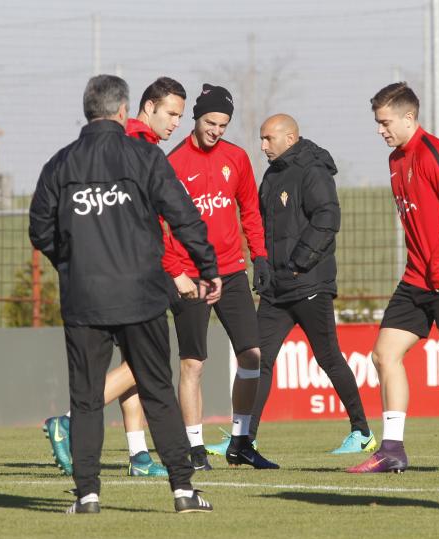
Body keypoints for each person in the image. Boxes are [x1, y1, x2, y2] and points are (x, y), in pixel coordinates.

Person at [30, 74, 220, 513]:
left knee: (86, 395)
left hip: (85, 300)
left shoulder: (60, 163)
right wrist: (208, 267)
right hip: (142, 295)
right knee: (157, 390)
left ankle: (88, 495)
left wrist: (71, 263)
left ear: (87, 111)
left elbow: (39, 228)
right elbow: (183, 215)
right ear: (122, 112)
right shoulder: (145, 156)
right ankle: (184, 491)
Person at [42, 77, 187, 478]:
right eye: (171, 113)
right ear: (142, 108)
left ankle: (138, 453)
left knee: (139, 366)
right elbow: (152, 223)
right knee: (149, 365)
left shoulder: (141, 146)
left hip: (107, 279)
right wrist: (176, 269)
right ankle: (70, 421)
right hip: (140, 278)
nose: (177, 123)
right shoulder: (135, 147)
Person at [348, 82, 439, 474]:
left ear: (409, 118)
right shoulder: (395, 160)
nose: (380, 130)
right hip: (415, 278)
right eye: (378, 123)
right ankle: (392, 449)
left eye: (385, 122)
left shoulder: (433, 153)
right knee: (383, 354)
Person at [163, 84, 278, 469]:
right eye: (211, 122)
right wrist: (176, 271)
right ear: (196, 119)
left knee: (252, 355)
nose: (216, 130)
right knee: (193, 364)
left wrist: (259, 257)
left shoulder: (238, 158)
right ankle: (195, 448)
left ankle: (241, 441)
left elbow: (250, 211)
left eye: (223, 124)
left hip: (230, 273)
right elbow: (161, 226)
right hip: (191, 277)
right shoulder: (174, 163)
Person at [248, 113, 375, 454]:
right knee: (257, 358)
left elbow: (327, 217)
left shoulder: (313, 171)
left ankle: (361, 431)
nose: (262, 146)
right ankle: (245, 437)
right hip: (277, 289)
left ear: (290, 138)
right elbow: (262, 225)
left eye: (268, 139)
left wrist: (299, 263)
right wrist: (261, 262)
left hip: (309, 284)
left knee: (328, 357)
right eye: (261, 139)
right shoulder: (271, 176)